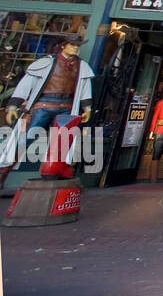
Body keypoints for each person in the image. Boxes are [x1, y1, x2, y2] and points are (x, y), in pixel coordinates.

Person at [0, 34, 95, 191]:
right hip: (43, 105)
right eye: (72, 45)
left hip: (66, 107)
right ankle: (3, 172)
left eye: (78, 45)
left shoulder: (81, 66)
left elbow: (85, 88)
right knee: (25, 139)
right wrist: (12, 105)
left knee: (61, 143)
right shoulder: (46, 62)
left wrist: (87, 108)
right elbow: (26, 84)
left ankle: (53, 175)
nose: (76, 48)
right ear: (63, 45)